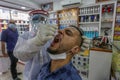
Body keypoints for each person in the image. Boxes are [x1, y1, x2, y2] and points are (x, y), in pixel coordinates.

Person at [13, 10, 57, 80]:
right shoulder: (25, 35)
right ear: (31, 20)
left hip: (50, 75)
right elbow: (19, 55)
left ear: (47, 20)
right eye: (35, 19)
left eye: (42, 19)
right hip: (31, 75)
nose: (39, 21)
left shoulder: (52, 35)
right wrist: (36, 41)